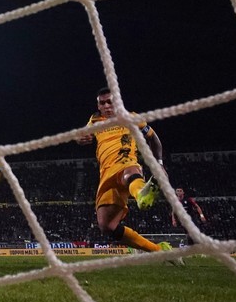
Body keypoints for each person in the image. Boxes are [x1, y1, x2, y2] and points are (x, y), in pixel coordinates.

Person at [76, 87, 183, 264]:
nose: (107, 106)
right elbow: (83, 135)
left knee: (128, 174)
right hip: (105, 173)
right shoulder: (95, 120)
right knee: (107, 226)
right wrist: (80, 139)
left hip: (126, 162)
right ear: (98, 105)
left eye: (110, 101)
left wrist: (159, 163)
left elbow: (154, 138)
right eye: (102, 103)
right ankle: (160, 251)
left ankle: (143, 194)